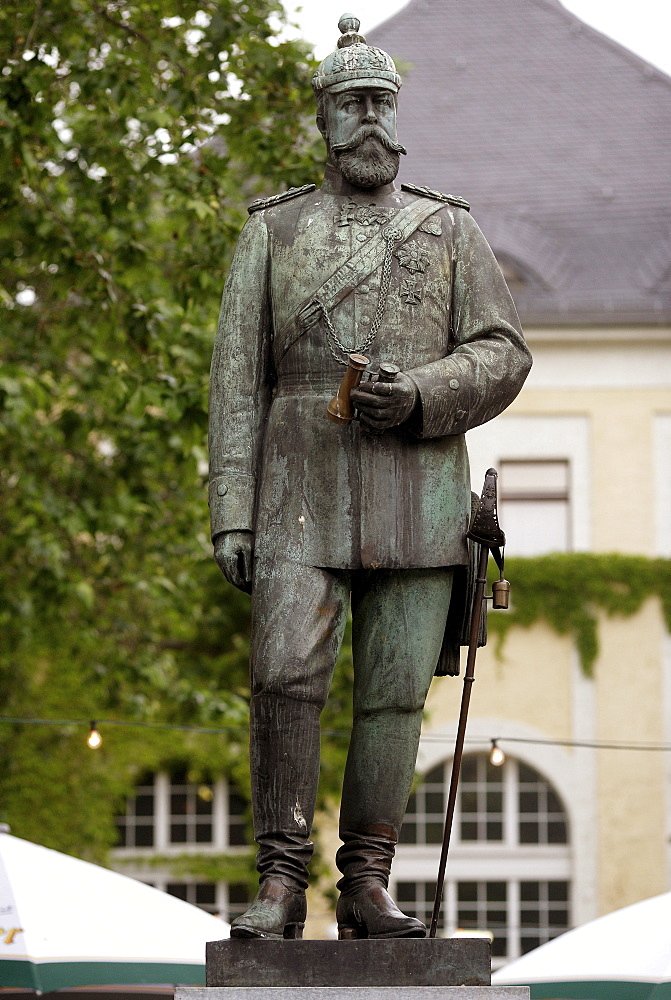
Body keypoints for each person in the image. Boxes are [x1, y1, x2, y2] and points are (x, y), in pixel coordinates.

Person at [208, 14, 532, 940]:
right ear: (322, 119)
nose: (370, 121)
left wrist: (426, 392)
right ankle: (278, 880)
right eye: (352, 103)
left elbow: (503, 354)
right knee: (282, 678)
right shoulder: (272, 232)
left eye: (382, 103)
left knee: (393, 691)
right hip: (295, 489)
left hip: (417, 485)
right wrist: (233, 510)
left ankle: (366, 879)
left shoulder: (448, 230)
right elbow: (236, 380)